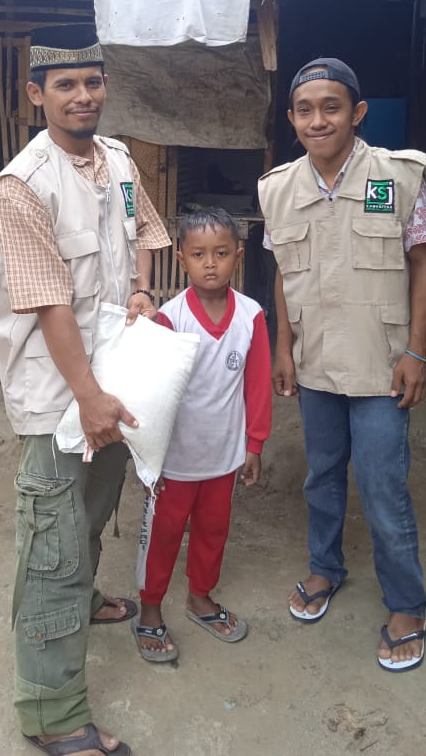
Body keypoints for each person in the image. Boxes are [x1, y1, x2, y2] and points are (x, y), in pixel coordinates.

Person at [0, 41, 170, 756]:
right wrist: (89, 397)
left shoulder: (119, 162)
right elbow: (48, 303)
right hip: (56, 391)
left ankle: (85, 599)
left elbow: (143, 230)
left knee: (94, 504)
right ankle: (52, 712)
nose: (82, 96)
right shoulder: (24, 185)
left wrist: (143, 289)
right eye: (65, 84)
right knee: (52, 542)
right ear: (38, 94)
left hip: (111, 375)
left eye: (92, 82)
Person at [257, 57, 426, 674]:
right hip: (316, 362)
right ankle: (324, 568)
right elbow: (283, 272)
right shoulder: (278, 188)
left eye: (331, 107)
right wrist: (283, 346)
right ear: (291, 119)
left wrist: (417, 350)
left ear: (357, 113)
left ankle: (407, 605)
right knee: (322, 476)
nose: (318, 120)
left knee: (384, 487)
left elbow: (425, 262)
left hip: (382, 362)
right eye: (305, 110)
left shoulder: (398, 176)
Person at [133, 207, 272, 662]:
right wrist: (150, 458)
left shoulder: (251, 316)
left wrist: (254, 444)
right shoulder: (170, 319)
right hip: (175, 459)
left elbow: (257, 385)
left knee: (214, 530)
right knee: (164, 532)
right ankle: (150, 608)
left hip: (223, 455)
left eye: (221, 253)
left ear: (239, 256)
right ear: (181, 259)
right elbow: (155, 394)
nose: (210, 263)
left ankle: (200, 597)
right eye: (198, 254)